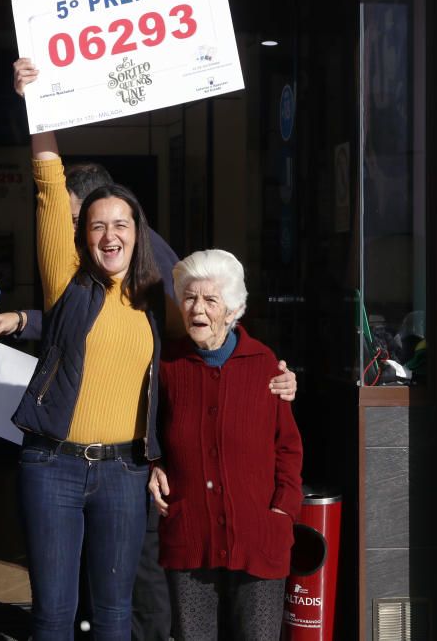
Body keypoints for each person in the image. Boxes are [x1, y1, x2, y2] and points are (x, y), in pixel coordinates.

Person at [0, 58, 299, 641]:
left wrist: (273, 372)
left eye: (121, 225)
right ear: (82, 237)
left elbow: (217, 332)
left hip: (124, 471)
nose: (109, 235)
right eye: (96, 226)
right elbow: (51, 183)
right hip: (53, 464)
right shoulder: (66, 282)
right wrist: (37, 104)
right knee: (53, 614)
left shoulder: (158, 301)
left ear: (139, 232)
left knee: (114, 614)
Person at [149, 249, 303, 641]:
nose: (197, 308)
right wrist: (153, 466)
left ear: (233, 311)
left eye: (210, 300)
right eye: (189, 297)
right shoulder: (167, 367)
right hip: (190, 538)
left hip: (259, 538)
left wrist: (282, 512)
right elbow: (147, 433)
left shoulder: (265, 365)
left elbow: (288, 448)